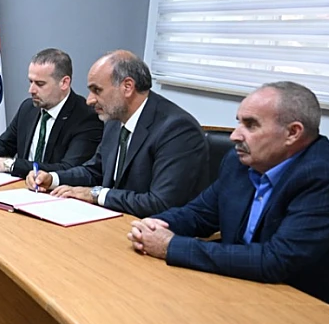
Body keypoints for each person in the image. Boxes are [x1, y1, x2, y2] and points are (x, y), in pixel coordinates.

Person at [129, 82, 329, 324]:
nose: (235, 135)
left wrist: (170, 247)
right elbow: (200, 214)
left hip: (325, 314)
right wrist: (155, 225)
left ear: (293, 133)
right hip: (253, 293)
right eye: (238, 122)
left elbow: (274, 260)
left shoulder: (325, 180)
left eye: (250, 125)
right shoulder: (241, 162)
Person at [26, 50, 208, 217]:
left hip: (151, 233)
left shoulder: (177, 130)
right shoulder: (114, 120)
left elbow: (160, 203)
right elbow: (95, 170)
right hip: (111, 221)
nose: (89, 100)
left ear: (127, 87)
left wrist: (96, 194)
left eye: (97, 90)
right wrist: (52, 179)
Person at [0, 48, 101, 177]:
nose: (31, 90)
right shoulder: (29, 107)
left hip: (56, 195)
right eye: (30, 81)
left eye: (40, 84)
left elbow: (68, 169)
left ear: (64, 83)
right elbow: (5, 145)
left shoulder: (86, 116)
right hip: (23, 187)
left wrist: (9, 165)